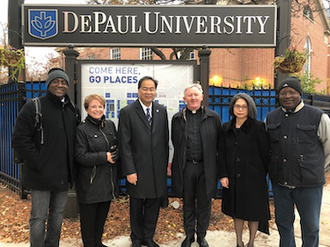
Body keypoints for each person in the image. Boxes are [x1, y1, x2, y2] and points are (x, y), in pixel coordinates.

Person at [12, 68, 80, 247]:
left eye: (63, 82)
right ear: (48, 84)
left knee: (57, 216)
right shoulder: (34, 106)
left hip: (63, 175)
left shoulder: (72, 110)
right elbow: (19, 139)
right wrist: (38, 161)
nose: (60, 85)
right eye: (56, 81)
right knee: (38, 217)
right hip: (40, 174)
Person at [265, 76, 330, 247]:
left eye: (292, 92)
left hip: (309, 184)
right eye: (283, 93)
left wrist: (315, 169)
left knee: (311, 226)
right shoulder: (271, 118)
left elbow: (328, 148)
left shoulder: (317, 117)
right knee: (283, 224)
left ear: (299, 94)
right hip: (280, 183)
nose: (287, 96)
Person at [118, 76, 169, 247]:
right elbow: (124, 144)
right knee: (136, 206)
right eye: (145, 88)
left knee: (153, 206)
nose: (148, 92)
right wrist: (129, 170)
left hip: (156, 170)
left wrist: (164, 166)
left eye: (152, 89)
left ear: (155, 91)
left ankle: (148, 237)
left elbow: (164, 141)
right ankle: (136, 238)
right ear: (139, 90)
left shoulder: (161, 111)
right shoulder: (127, 112)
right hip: (137, 170)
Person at [171, 84, 222, 247]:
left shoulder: (213, 117)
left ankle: (201, 235)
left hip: (206, 167)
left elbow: (218, 143)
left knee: (204, 202)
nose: (193, 98)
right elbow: (175, 142)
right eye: (189, 95)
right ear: (184, 98)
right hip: (186, 167)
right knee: (187, 202)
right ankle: (189, 235)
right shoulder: (177, 118)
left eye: (196, 95)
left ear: (202, 97)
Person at [219, 93, 270, 247]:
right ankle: (239, 242)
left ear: (250, 108)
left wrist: (258, 172)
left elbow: (265, 153)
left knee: (253, 211)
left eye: (244, 106)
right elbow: (221, 153)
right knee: (237, 210)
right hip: (232, 177)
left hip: (253, 177)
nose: (240, 109)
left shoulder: (258, 127)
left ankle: (251, 242)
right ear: (232, 107)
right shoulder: (225, 127)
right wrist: (223, 175)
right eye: (237, 106)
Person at [75, 94, 120, 247]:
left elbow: (116, 146)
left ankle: (98, 243)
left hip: (107, 182)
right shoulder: (82, 129)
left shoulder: (110, 125)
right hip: (90, 183)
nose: (97, 109)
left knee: (101, 219)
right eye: (93, 106)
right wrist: (104, 156)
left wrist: (116, 153)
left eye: (100, 106)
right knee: (88, 222)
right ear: (87, 108)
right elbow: (80, 156)